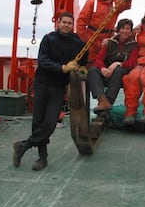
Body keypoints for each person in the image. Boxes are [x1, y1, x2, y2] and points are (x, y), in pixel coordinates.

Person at [12, 12, 88, 171]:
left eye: (69, 23)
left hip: (58, 87)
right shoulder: (49, 39)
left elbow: (85, 55)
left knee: (51, 122)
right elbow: (43, 60)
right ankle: (42, 158)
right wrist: (62, 68)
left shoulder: (76, 42)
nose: (66, 25)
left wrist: (81, 67)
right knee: (38, 121)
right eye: (64, 22)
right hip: (42, 84)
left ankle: (24, 146)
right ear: (58, 23)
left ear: (72, 25)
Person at [87, 18, 138, 117]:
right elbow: (99, 59)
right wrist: (102, 68)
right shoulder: (110, 43)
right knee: (92, 70)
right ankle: (102, 99)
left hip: (120, 74)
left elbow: (132, 63)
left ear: (131, 31)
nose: (125, 31)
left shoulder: (134, 46)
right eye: (122, 28)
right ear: (118, 30)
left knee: (119, 71)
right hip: (106, 72)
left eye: (128, 28)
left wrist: (118, 64)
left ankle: (109, 101)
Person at [76, 0, 133, 65]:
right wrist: (82, 39)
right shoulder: (91, 2)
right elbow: (81, 22)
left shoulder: (116, 3)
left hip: (108, 37)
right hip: (92, 37)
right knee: (89, 61)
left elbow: (125, 6)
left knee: (105, 60)